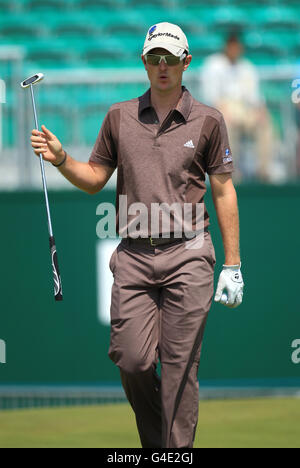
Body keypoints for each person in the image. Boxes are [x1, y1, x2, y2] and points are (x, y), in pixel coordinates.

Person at [30, 22, 244, 448]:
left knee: (180, 366)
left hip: (189, 254)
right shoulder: (118, 116)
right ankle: (158, 446)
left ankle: (173, 454)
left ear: (186, 62)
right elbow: (94, 179)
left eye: (169, 58)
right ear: (143, 62)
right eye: (153, 58)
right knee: (131, 360)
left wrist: (233, 264)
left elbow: (223, 190)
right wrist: (60, 159)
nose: (161, 66)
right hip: (132, 256)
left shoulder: (209, 120)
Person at [201, 34, 274, 183]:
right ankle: (231, 174)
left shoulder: (247, 67)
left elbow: (255, 97)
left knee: (265, 124)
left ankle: (263, 171)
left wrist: (260, 111)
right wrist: (222, 111)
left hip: (243, 109)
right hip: (223, 108)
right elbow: (210, 96)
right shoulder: (213, 64)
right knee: (226, 124)